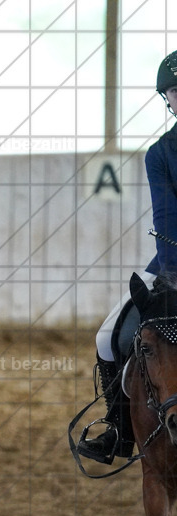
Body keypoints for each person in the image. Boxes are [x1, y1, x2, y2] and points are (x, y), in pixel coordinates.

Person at [78, 49, 177, 463]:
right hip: (172, 262)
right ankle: (119, 431)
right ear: (167, 99)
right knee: (109, 337)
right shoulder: (161, 154)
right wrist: (172, 275)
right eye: (175, 91)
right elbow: (166, 218)